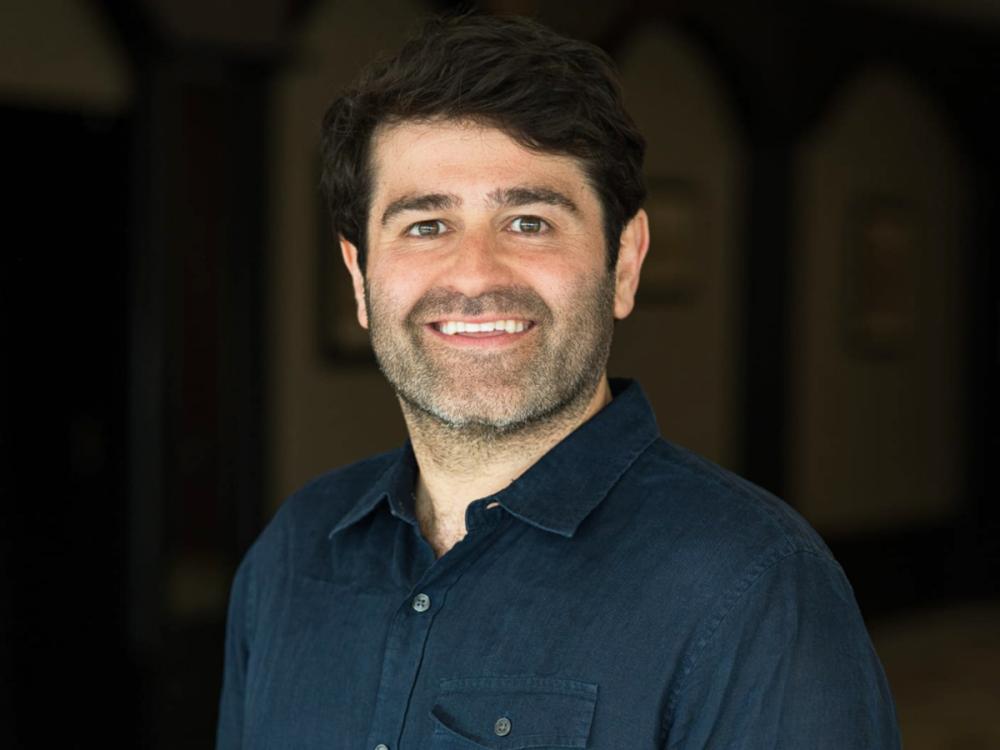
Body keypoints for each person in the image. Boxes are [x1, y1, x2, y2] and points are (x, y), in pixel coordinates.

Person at [217, 13, 900, 750]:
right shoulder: (293, 552)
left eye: (530, 221)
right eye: (425, 225)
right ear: (360, 277)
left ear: (625, 262)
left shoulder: (755, 585)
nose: (475, 273)